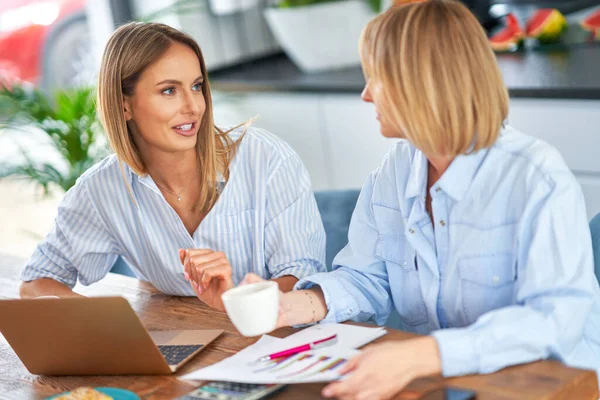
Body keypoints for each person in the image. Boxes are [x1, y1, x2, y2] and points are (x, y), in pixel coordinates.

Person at [241, 1, 600, 398]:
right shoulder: (395, 170)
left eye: (374, 78)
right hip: (442, 387)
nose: (364, 96)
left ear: (419, 83)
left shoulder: (535, 178)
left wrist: (427, 354)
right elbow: (366, 277)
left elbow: (552, 320)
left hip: (549, 389)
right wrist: (295, 304)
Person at [19, 22, 326, 311]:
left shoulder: (267, 159)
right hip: (180, 338)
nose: (194, 107)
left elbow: (302, 280)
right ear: (124, 105)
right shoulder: (102, 189)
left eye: (196, 86)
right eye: (169, 91)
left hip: (274, 339)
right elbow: (37, 281)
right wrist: (104, 327)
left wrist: (236, 299)